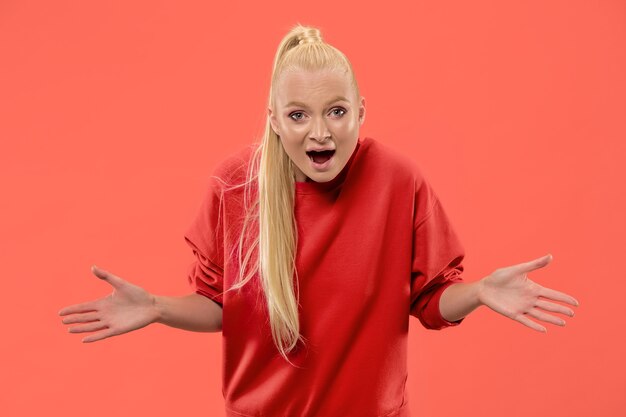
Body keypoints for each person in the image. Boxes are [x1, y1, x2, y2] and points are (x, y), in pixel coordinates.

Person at [58, 23, 580, 417]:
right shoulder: (235, 185)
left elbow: (430, 301)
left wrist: (482, 291)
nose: (320, 134)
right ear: (273, 119)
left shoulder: (397, 179)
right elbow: (220, 307)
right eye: (298, 115)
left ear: (361, 111)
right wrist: (153, 307)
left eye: (336, 111)